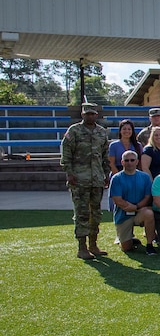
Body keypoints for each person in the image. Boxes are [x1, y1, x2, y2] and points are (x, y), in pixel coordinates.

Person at [60, 103, 110, 260]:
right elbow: (66, 154)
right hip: (79, 179)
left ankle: (93, 244)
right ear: (82, 115)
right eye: (87, 114)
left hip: (96, 179)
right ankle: (82, 247)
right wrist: (69, 173)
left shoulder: (101, 133)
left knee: (96, 213)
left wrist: (106, 174)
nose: (90, 116)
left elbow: (105, 156)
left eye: (92, 114)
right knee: (82, 213)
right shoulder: (74, 131)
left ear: (96, 115)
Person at [109, 150, 156, 254]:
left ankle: (149, 244)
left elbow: (147, 196)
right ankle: (127, 239)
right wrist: (129, 206)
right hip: (123, 214)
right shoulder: (116, 178)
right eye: (126, 160)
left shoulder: (144, 177)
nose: (129, 162)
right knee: (127, 248)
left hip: (139, 211)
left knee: (149, 213)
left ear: (137, 161)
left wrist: (136, 207)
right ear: (122, 162)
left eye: (132, 160)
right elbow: (117, 200)